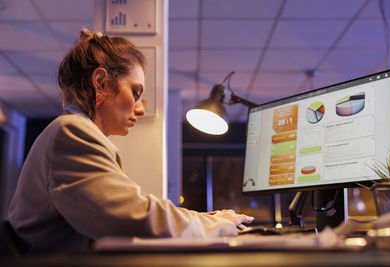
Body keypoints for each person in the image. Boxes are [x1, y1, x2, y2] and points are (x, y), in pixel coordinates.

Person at [8, 29, 254, 253]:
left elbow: (134, 207)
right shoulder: (72, 132)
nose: (140, 109)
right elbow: (133, 216)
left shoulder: (73, 131)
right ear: (101, 83)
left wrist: (206, 218)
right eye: (135, 93)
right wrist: (218, 225)